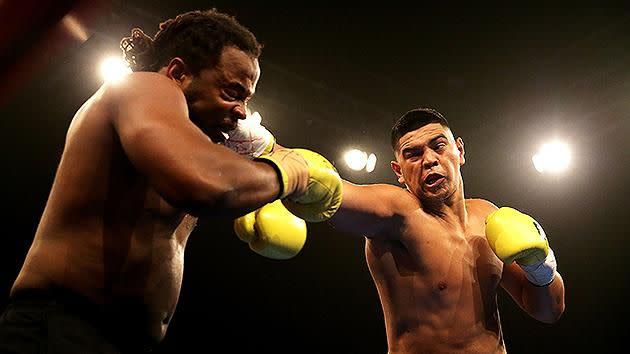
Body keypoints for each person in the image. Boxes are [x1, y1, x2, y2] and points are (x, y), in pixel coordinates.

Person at [0, 8, 342, 353]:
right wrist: (284, 174)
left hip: (117, 338)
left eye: (246, 99)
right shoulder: (143, 87)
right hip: (63, 328)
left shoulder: (197, 138)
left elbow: (288, 162)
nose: (241, 111)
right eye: (232, 91)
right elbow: (205, 185)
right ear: (178, 73)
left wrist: (289, 173)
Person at [227, 108, 565, 353]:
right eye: (413, 154)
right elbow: (325, 187)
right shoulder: (397, 213)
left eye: (439, 146)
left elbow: (548, 311)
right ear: (398, 170)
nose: (429, 159)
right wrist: (256, 144)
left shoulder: (488, 216)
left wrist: (541, 264)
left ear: (459, 150)